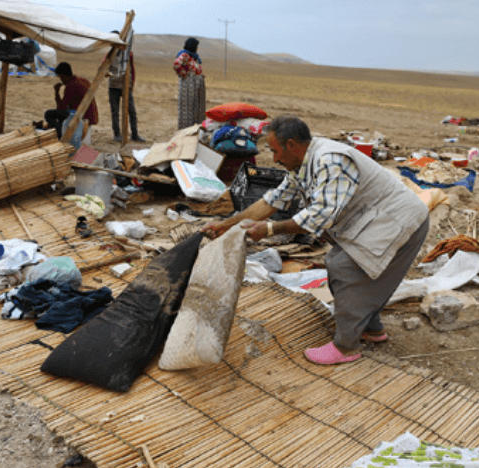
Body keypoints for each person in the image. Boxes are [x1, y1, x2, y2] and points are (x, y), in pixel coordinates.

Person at [202, 115, 430, 365]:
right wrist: (226, 225)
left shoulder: (330, 160)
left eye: (275, 151)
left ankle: (346, 347)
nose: (275, 159)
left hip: (401, 221)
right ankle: (371, 329)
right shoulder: (302, 164)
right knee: (351, 270)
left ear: (291, 145)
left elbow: (318, 216)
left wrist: (267, 230)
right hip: (375, 222)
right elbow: (271, 201)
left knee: (345, 268)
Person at [43, 62, 98, 140]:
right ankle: (61, 130)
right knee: (62, 115)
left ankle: (60, 135)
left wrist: (56, 92)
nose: (61, 80)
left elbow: (61, 108)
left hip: (82, 116)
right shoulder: (83, 80)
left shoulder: (71, 86)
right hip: (90, 115)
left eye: (61, 77)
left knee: (48, 114)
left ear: (64, 76)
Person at [107, 31, 144, 143]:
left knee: (131, 111)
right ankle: (117, 134)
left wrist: (131, 84)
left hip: (126, 86)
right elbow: (104, 67)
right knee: (115, 111)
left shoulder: (128, 54)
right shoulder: (110, 54)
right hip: (113, 86)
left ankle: (135, 134)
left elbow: (132, 68)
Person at [173, 37, 205, 129]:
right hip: (188, 86)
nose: (197, 48)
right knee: (187, 109)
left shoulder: (194, 57)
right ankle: (185, 131)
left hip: (196, 85)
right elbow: (176, 64)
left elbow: (193, 69)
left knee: (195, 108)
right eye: (196, 46)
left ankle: (193, 129)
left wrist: (199, 75)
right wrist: (184, 74)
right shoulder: (185, 55)